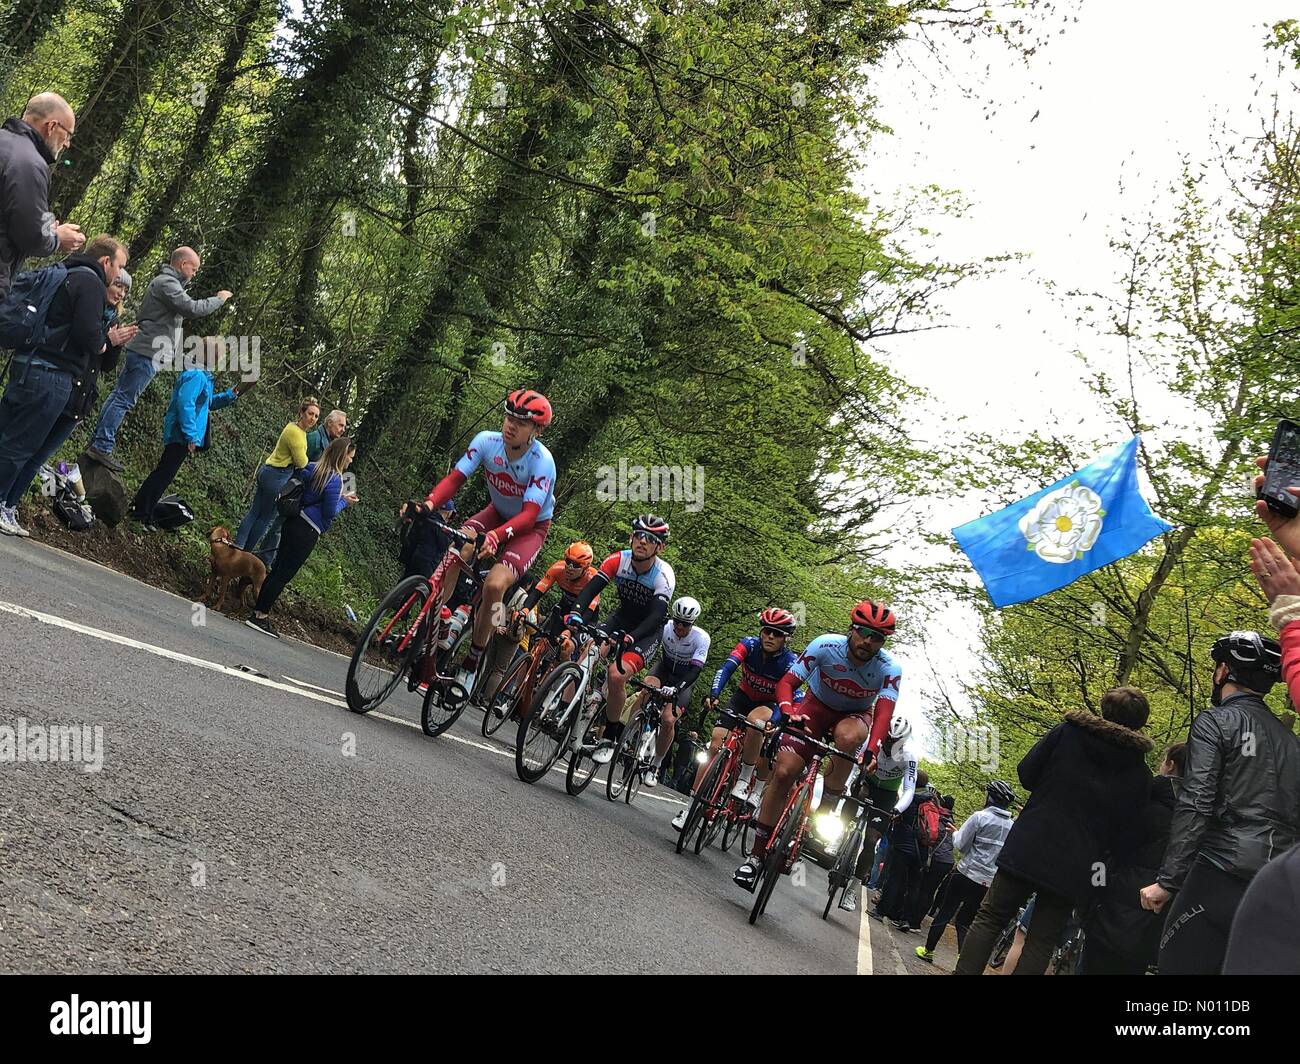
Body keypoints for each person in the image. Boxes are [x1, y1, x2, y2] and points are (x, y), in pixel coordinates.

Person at [954, 686, 1154, 976]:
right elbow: (1128, 833)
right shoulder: (1139, 773)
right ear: (1140, 723)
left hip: (1030, 843)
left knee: (991, 917)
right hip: (1077, 864)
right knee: (1042, 939)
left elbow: (1026, 773)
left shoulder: (1067, 734)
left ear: (1104, 708)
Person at [1140, 630, 1300, 975]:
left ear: (1223, 670)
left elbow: (1196, 802)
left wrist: (1168, 881)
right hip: (1273, 884)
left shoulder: (1214, 722)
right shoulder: (1292, 741)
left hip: (1217, 872)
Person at [732, 600, 902, 892]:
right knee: (784, 773)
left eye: (877, 638)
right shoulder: (825, 646)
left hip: (854, 716)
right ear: (851, 629)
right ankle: (757, 855)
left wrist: (872, 749)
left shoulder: (889, 668)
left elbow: (884, 714)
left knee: (848, 739)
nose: (868, 641)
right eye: (863, 632)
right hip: (815, 707)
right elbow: (787, 683)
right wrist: (787, 711)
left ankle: (825, 807)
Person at [417, 389, 557, 692]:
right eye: (509, 417)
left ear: (537, 429)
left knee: (495, 585)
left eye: (521, 422)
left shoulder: (542, 462)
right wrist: (428, 505)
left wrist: (496, 536)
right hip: (496, 511)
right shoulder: (486, 441)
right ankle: (442, 621)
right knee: (459, 545)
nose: (511, 425)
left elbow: (530, 515)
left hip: (528, 528)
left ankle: (473, 660)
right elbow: (455, 479)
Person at [0, 235, 130, 537]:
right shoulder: (91, 283)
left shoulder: (68, 271)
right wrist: (104, 342)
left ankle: (7, 503)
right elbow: (88, 334)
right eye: (119, 266)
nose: (119, 275)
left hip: (30, 363)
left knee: (12, 438)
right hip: (52, 374)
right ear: (106, 261)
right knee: (20, 444)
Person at [84, 246, 231, 471]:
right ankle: (102, 446)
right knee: (124, 399)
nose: (194, 274)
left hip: (147, 350)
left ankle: (98, 443)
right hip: (148, 352)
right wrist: (218, 299)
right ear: (182, 265)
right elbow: (191, 308)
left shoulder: (169, 284)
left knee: (120, 396)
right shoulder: (166, 283)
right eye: (193, 269)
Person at [671, 607, 800, 832]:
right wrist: (714, 694)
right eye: (767, 630)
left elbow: (789, 695)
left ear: (786, 638)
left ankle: (744, 779)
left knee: (756, 722)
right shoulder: (749, 644)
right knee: (714, 744)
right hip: (742, 697)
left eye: (777, 633)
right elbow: (727, 668)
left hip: (769, 705)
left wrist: (777, 720)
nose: (770, 636)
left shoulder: (790, 661)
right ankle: (690, 806)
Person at [568, 513, 676, 764]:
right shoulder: (619, 559)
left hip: (646, 632)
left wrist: (630, 638)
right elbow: (590, 589)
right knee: (588, 653)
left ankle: (610, 734)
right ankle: (563, 708)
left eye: (650, 539)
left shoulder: (663, 574)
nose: (642, 541)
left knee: (616, 676)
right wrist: (575, 612)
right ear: (631, 537)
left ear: (660, 547)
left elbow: (656, 616)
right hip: (621, 618)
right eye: (638, 535)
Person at [1081, 743, 1182, 975]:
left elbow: (1111, 850)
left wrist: (1091, 896)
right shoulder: (1195, 818)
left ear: (1170, 765)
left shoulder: (1144, 803)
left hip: (1113, 907)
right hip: (1153, 919)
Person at [130, 337, 249, 530]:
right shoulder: (196, 375)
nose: (219, 360)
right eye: (218, 356)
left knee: (165, 474)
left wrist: (230, 395)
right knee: (163, 473)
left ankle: (145, 511)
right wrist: (191, 435)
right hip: (181, 433)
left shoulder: (203, 376)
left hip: (184, 433)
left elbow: (207, 403)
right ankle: (139, 512)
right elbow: (185, 403)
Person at [246, 436, 357, 636]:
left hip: (293, 521)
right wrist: (344, 502)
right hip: (308, 530)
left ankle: (258, 610)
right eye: (350, 457)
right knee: (284, 574)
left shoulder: (313, 468)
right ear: (342, 456)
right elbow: (329, 512)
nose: (351, 461)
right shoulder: (334, 480)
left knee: (277, 568)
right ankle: (260, 615)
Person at [915, 780, 1015, 964]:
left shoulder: (980, 817)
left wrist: (956, 833)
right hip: (987, 881)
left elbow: (961, 845)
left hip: (965, 873)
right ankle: (963, 960)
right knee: (966, 921)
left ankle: (928, 951)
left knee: (945, 911)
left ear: (990, 797)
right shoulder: (1012, 826)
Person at [0, 92, 84, 296]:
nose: (67, 144)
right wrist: (57, 236)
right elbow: (33, 236)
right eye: (68, 134)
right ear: (52, 126)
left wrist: (47, 228)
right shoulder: (30, 164)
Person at [843, 712, 919, 914]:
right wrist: (849, 782)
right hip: (867, 782)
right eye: (888, 738)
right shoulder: (872, 741)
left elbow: (909, 789)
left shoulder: (909, 757)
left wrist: (897, 809)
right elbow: (854, 763)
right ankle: (840, 835)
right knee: (855, 794)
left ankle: (852, 889)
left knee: (871, 841)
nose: (889, 743)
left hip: (887, 796)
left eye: (896, 741)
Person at [634, 596, 710, 787]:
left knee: (668, 720)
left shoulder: (701, 638)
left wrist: (676, 688)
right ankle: (629, 734)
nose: (679, 627)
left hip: (683, 680)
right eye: (677, 621)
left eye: (685, 624)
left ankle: (656, 766)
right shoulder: (666, 627)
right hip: (664, 669)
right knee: (645, 688)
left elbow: (695, 670)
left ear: (692, 623)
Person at [235, 397, 318, 551]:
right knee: (264, 518)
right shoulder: (295, 433)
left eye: (316, 416)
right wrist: (311, 463)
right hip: (277, 476)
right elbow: (301, 462)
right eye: (310, 413)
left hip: (269, 471)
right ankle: (245, 552)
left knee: (254, 511)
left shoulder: (295, 429)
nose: (312, 418)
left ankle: (238, 546)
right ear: (301, 412)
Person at [871, 760, 930, 929]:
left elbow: (895, 816)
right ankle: (905, 919)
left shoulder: (910, 798)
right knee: (912, 886)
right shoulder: (932, 802)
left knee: (894, 880)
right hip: (922, 850)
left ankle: (880, 911)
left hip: (904, 845)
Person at [519, 540, 600, 642]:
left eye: (576, 565)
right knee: (543, 638)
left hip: (586, 614)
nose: (570, 567)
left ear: (586, 567)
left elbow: (589, 611)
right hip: (565, 606)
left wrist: (572, 629)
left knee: (567, 647)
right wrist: (524, 610)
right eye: (568, 561)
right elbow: (537, 593)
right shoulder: (558, 568)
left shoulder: (593, 578)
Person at [915, 794, 957, 922]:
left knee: (923, 889)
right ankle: (917, 921)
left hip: (936, 859)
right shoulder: (951, 821)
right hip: (947, 861)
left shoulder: (938, 818)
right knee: (930, 890)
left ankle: (912, 920)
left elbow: (930, 836)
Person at [398, 498, 457, 580]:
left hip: (411, 556)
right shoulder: (443, 528)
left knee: (404, 580)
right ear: (449, 512)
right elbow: (443, 546)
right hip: (426, 565)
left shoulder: (425, 517)